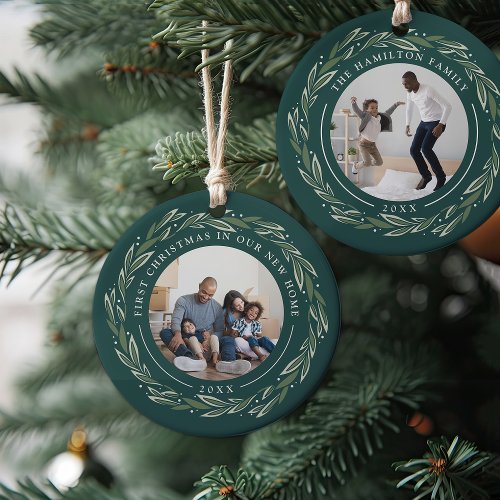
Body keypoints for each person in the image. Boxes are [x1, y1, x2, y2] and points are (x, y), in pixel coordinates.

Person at [159, 277, 249, 375]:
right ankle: (189, 358)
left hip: (207, 344)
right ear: (199, 286)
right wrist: (178, 335)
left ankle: (228, 363)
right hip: (187, 341)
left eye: (210, 295)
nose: (206, 297)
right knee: (165, 332)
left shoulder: (217, 307)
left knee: (228, 338)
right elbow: (176, 320)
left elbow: (219, 330)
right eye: (204, 292)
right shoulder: (183, 301)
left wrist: (208, 338)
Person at [402, 71, 452, 191]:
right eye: (403, 84)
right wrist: (407, 124)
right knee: (414, 150)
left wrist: (441, 125)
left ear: (415, 80)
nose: (405, 86)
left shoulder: (428, 90)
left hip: (437, 122)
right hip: (424, 122)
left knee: (426, 148)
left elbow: (448, 106)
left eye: (407, 84)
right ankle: (426, 176)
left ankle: (441, 178)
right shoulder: (410, 93)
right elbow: (409, 108)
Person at [350, 96, 405, 174]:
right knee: (368, 163)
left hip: (372, 145)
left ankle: (366, 162)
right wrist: (353, 102)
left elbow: (389, 112)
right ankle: (356, 165)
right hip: (363, 144)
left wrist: (396, 104)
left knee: (379, 163)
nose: (375, 109)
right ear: (366, 110)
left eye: (376, 108)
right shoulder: (365, 116)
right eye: (372, 108)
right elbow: (357, 110)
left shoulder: (380, 117)